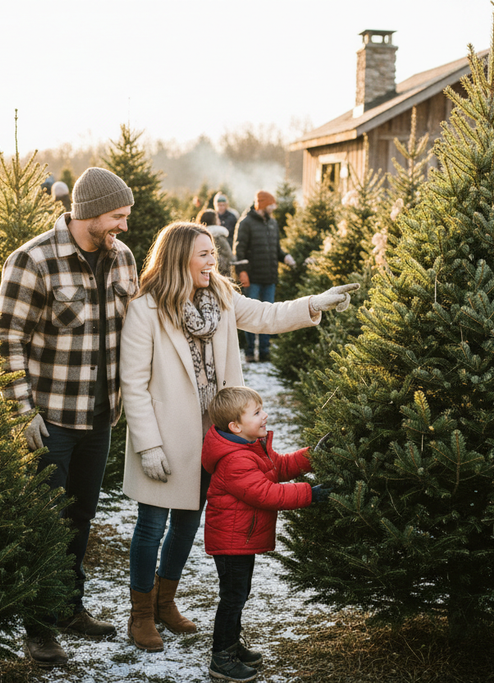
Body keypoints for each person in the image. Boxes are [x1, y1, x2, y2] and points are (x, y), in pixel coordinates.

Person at [119, 221, 358, 653]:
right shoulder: (146, 309)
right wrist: (148, 445)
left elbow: (267, 316)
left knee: (187, 525)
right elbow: (133, 384)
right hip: (165, 437)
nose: (214, 261)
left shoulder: (222, 298)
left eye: (214, 253)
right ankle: (140, 614)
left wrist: (314, 303)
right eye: (204, 254)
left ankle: (165, 602)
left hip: (215, 439)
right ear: (179, 258)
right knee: (152, 526)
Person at [0, 166, 138, 667]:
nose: (124, 225)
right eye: (117, 216)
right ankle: (38, 627)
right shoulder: (32, 260)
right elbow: (6, 339)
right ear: (89, 214)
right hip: (50, 419)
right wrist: (22, 410)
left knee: (80, 517)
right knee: (45, 523)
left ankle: (69, 607)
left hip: (100, 417)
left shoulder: (123, 260)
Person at [201, 386, 330, 681]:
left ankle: (231, 647)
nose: (265, 416)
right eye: (257, 412)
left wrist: (312, 456)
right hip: (231, 542)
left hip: (240, 541)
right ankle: (221, 657)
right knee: (233, 597)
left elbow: (278, 467)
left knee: (239, 594)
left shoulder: (248, 446)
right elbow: (266, 493)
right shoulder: (235, 459)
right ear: (235, 426)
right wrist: (311, 494)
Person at [232, 190, 297, 362]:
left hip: (269, 278)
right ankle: (249, 352)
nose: (274, 208)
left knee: (270, 315)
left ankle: (265, 352)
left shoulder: (272, 223)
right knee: (251, 316)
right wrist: (242, 273)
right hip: (252, 278)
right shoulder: (245, 223)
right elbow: (239, 250)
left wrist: (285, 257)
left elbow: (275, 249)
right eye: (271, 204)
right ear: (262, 204)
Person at [198, 209, 235, 279]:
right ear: (214, 220)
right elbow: (229, 255)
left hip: (204, 272)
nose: (219, 220)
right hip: (221, 273)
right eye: (217, 218)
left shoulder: (199, 237)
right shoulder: (219, 236)